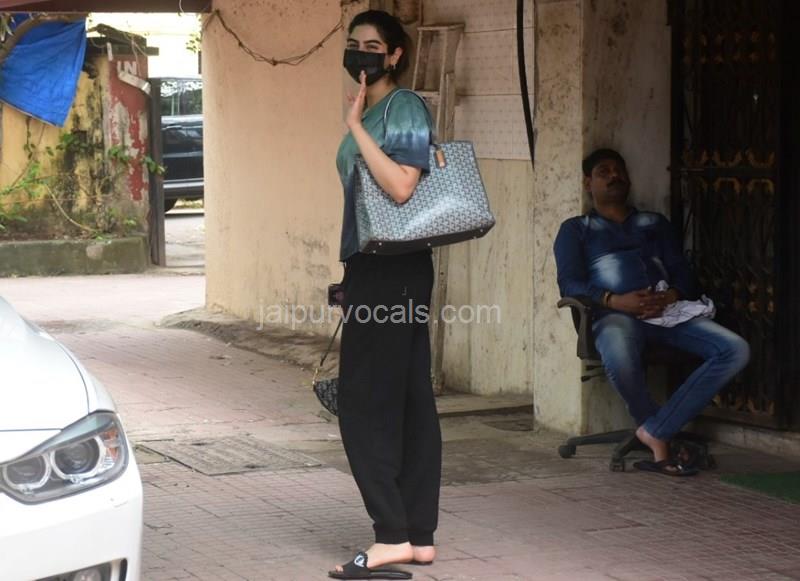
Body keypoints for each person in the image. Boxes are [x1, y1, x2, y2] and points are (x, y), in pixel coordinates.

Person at [553, 148, 750, 476]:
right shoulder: (577, 229)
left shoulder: (654, 223)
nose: (614, 176)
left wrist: (672, 294)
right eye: (604, 171)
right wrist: (614, 300)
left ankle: (657, 430)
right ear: (588, 183)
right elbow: (569, 283)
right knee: (619, 350)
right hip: (613, 316)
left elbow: (682, 271)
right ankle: (658, 434)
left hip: (668, 313)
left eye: (619, 170)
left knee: (735, 350)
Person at [330, 10, 440, 580]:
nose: (361, 53)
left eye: (373, 46)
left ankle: (391, 536)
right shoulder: (376, 108)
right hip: (376, 267)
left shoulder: (404, 107)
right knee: (407, 399)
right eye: (355, 44)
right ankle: (417, 537)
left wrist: (354, 128)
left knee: (364, 403)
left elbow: (401, 186)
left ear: (395, 55)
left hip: (393, 269)